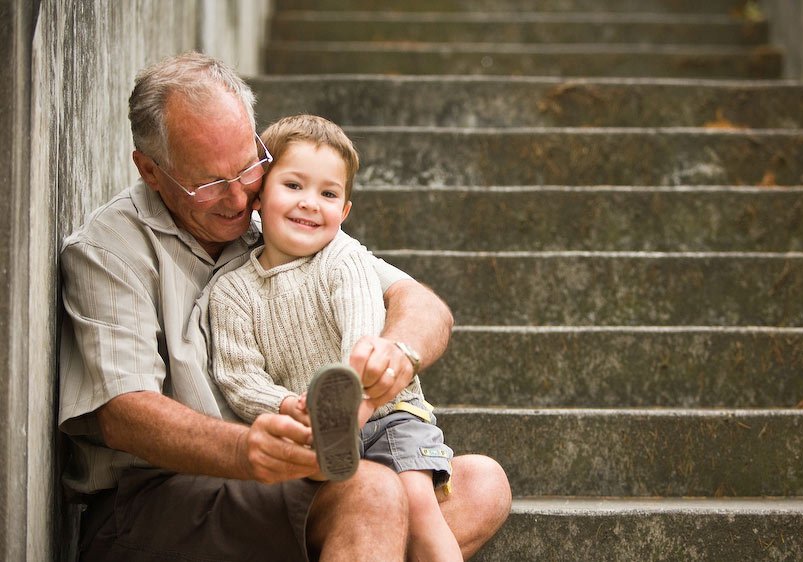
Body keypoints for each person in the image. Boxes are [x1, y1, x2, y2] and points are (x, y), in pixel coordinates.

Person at [57, 51, 511, 561]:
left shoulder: (273, 213)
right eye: (208, 183)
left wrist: (396, 352)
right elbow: (124, 414)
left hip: (292, 476)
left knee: (481, 484)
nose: (237, 197)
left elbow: (419, 303)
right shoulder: (107, 251)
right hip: (159, 501)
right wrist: (243, 450)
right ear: (151, 171)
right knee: (373, 491)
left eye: (249, 165)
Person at [208, 114, 461, 560]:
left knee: (418, 505)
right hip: (312, 428)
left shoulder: (345, 260)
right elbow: (239, 377)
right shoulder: (231, 292)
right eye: (293, 186)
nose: (310, 203)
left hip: (385, 413)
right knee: (357, 500)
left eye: (328, 194)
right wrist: (288, 406)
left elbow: (360, 337)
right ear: (258, 197)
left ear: (343, 212)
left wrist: (349, 406)